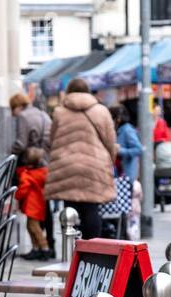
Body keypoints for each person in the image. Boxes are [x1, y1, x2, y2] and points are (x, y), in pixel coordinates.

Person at [44, 77, 117, 241]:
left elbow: (52, 140)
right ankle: (93, 250)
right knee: (91, 208)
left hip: (66, 165)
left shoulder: (59, 112)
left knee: (69, 209)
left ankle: (71, 249)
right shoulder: (101, 111)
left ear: (68, 91)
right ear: (88, 91)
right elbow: (110, 141)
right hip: (94, 164)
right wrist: (109, 160)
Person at [15, 147, 51, 259]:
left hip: (31, 205)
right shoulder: (41, 173)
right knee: (31, 226)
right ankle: (36, 248)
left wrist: (16, 195)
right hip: (38, 204)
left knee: (34, 228)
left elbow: (23, 189)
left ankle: (44, 248)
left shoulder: (27, 175)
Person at [8, 92, 51, 166]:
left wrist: (10, 152)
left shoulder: (23, 116)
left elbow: (21, 144)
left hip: (30, 163)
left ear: (19, 107)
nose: (12, 114)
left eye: (13, 109)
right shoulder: (43, 114)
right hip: (46, 160)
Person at [112, 105, 141, 182]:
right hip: (118, 175)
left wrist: (120, 151)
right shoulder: (117, 130)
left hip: (126, 176)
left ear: (118, 119)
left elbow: (138, 149)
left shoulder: (127, 130)